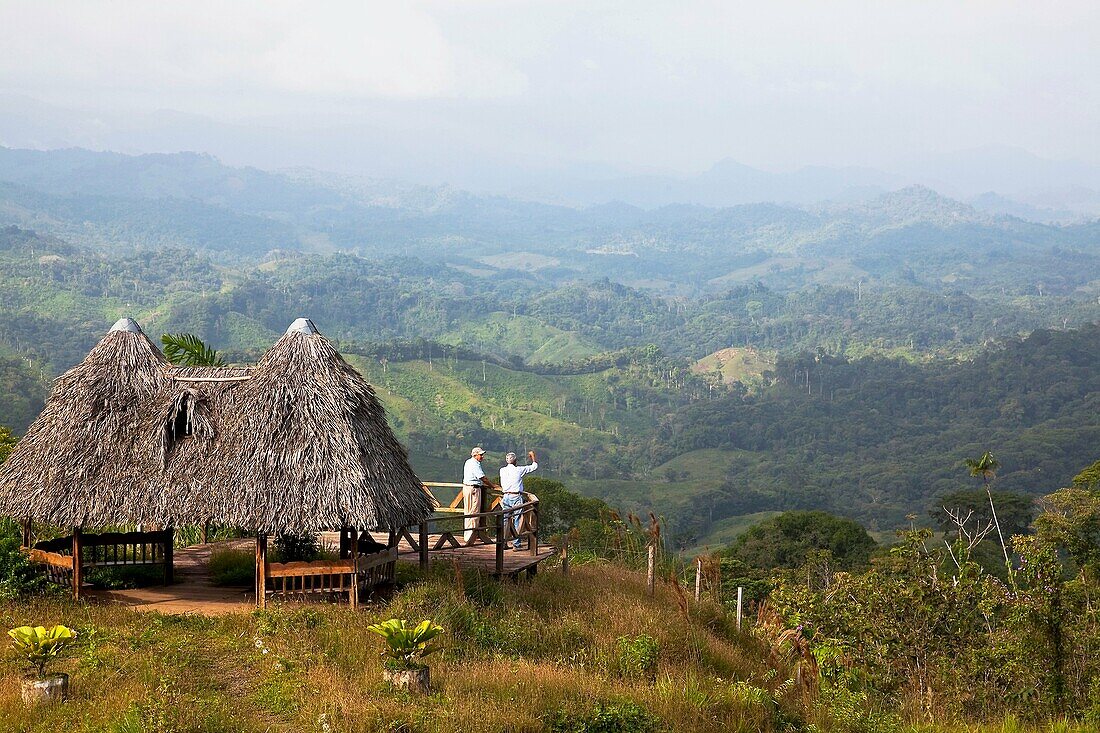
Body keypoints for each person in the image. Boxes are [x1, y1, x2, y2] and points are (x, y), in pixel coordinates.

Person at [498, 450, 537, 550]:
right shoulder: (519, 470)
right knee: (518, 519)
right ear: (515, 461)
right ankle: (516, 544)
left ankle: (502, 543)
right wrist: (533, 457)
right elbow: (534, 467)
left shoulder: (502, 470)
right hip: (515, 497)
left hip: (505, 497)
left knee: (505, 520)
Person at [461, 447, 494, 543]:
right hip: (474, 489)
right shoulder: (475, 464)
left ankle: (468, 535)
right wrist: (492, 485)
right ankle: (471, 536)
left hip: (467, 488)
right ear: (475, 455)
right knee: (474, 513)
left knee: (468, 512)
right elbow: (482, 477)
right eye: (481, 455)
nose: (482, 457)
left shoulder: (468, 462)